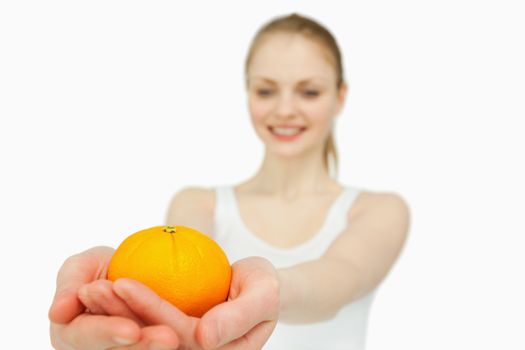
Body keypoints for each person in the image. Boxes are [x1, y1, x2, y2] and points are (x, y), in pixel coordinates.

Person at [49, 13, 410, 349]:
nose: (284, 109)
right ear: (248, 92)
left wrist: (271, 291)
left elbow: (337, 280)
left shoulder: (379, 210)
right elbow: (176, 279)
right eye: (266, 90)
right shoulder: (197, 203)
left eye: (309, 91)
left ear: (340, 96)